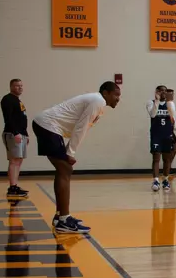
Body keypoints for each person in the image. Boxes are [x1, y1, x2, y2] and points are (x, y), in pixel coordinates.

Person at [32, 82, 121, 233]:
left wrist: (69, 151)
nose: (118, 98)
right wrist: (70, 152)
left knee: (64, 170)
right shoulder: (98, 101)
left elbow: (81, 127)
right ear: (106, 93)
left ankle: (61, 216)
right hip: (48, 126)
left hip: (49, 127)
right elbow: (82, 127)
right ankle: (64, 220)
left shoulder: (98, 103)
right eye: (116, 95)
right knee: (65, 169)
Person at [0, 78, 29, 199]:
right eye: (17, 86)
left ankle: (15, 186)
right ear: (11, 87)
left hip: (20, 134)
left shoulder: (18, 100)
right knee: (14, 160)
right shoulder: (7, 99)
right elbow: (8, 118)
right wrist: (16, 132)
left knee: (19, 160)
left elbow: (21, 118)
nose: (20, 88)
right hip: (12, 134)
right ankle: (12, 188)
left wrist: (25, 134)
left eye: (21, 85)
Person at [147, 85, 176, 192]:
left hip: (167, 134)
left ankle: (165, 179)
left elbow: (175, 120)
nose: (164, 92)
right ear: (157, 92)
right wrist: (157, 101)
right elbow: (153, 115)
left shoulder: (170, 104)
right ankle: (155, 180)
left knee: (167, 159)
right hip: (156, 135)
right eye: (161, 91)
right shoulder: (150, 103)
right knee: (156, 158)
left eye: (165, 91)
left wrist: (174, 131)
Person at [164, 88, 176, 180]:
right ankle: (167, 170)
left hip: (172, 130)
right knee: (173, 149)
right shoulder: (167, 104)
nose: (172, 95)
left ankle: (168, 168)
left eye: (172, 94)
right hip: (168, 130)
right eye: (170, 94)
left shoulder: (172, 103)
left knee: (175, 149)